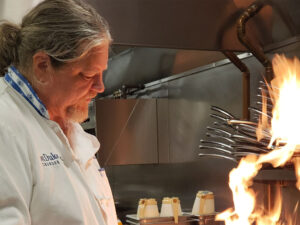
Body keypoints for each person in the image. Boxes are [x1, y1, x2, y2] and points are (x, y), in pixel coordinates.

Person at [0, 0, 118, 224]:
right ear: (42, 66)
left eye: (102, 73)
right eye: (87, 75)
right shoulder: (5, 123)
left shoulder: (66, 122)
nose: (100, 87)